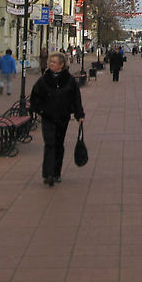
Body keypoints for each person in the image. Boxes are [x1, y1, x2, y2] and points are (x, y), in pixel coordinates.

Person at [29, 52, 85, 186]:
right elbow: (35, 96)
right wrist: (40, 110)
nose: (51, 65)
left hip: (62, 117)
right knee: (50, 144)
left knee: (59, 144)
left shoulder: (69, 80)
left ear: (61, 65)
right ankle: (48, 174)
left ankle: (56, 173)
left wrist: (79, 114)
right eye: (50, 62)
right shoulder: (44, 80)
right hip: (48, 117)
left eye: (54, 62)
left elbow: (76, 98)